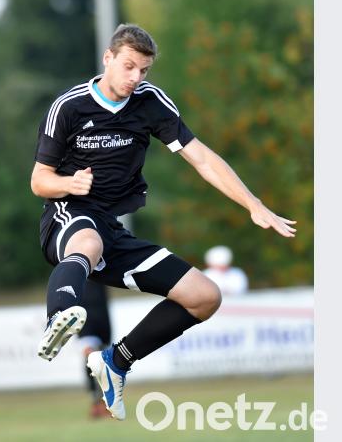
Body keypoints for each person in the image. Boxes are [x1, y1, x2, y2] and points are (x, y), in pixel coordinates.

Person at [32, 24, 295, 420]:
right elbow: (39, 181)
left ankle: (116, 362)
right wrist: (70, 182)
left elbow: (202, 158)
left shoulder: (150, 102)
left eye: (144, 70)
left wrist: (253, 203)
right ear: (108, 58)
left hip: (111, 228)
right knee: (88, 244)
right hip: (67, 216)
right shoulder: (69, 107)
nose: (136, 78)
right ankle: (60, 315)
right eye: (128, 66)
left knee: (205, 296)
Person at [77, 280, 113, 419]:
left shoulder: (101, 266)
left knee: (104, 361)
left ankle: (104, 402)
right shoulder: (76, 266)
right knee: (91, 359)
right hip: (85, 319)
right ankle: (96, 402)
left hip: (102, 318)